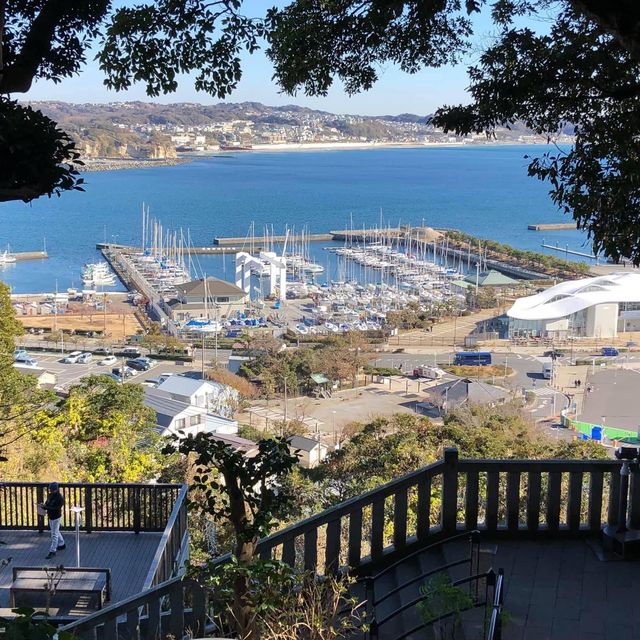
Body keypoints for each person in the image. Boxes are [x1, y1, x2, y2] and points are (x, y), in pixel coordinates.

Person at [39, 482, 66, 559]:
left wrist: (46, 507)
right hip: (50, 516)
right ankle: (62, 544)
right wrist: (43, 506)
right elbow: (47, 504)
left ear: (56, 489)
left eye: (52, 489)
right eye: (50, 489)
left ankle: (52, 551)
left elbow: (56, 508)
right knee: (55, 531)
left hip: (56, 517)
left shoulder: (59, 498)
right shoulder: (50, 495)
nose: (50, 491)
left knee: (54, 534)